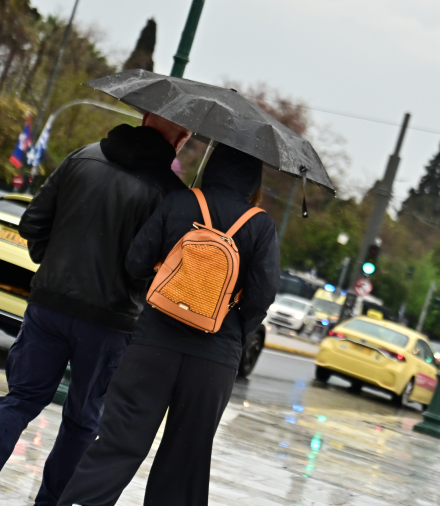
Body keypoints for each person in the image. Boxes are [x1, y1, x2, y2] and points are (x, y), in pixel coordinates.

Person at [0, 116, 191, 506]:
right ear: (181, 137)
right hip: (110, 322)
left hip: (50, 302)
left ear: (144, 118)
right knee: (82, 419)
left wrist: (53, 262)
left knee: (21, 397)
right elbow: (155, 267)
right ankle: (50, 501)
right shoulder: (171, 193)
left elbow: (33, 223)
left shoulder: (84, 156)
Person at [58, 144, 280, 506]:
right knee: (185, 461)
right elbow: (262, 297)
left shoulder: (180, 201)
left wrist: (168, 280)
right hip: (213, 360)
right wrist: (232, 325)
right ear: (253, 179)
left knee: (116, 446)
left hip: (152, 344)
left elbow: (135, 262)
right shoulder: (261, 225)